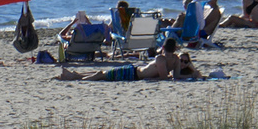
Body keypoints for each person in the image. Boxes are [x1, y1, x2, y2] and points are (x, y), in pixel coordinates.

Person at [58, 38, 196, 81]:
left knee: (102, 75)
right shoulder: (169, 59)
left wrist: (193, 75)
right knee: (101, 74)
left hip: (134, 75)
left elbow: (170, 77)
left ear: (164, 48)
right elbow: (170, 77)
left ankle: (73, 76)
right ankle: (74, 76)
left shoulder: (164, 59)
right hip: (134, 72)